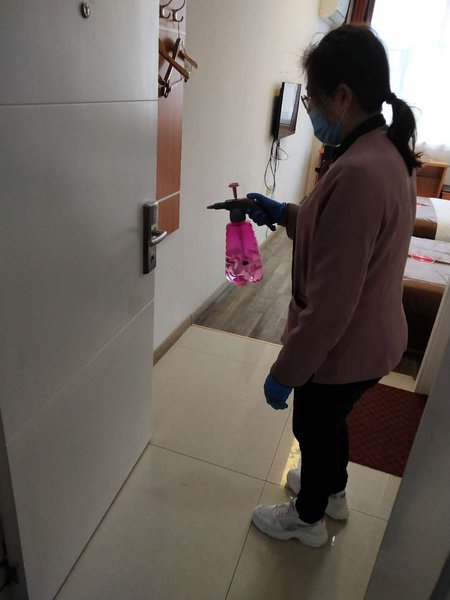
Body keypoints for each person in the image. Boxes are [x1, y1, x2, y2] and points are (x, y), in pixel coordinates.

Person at [246, 25, 421, 548]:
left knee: (314, 428)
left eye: (314, 100)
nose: (312, 113)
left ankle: (308, 519)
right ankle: (335, 492)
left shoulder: (361, 171)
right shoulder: (384, 151)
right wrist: (285, 213)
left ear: (342, 96)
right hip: (374, 335)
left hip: (347, 345)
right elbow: (346, 234)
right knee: (332, 422)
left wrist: (286, 371)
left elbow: (330, 306)